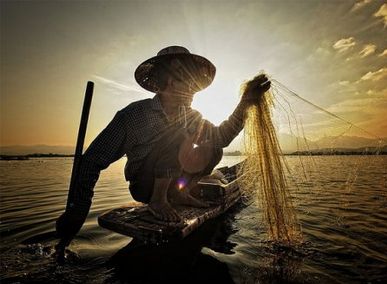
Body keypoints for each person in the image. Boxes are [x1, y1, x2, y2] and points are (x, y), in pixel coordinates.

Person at [56, 46, 270, 249]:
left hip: (174, 182)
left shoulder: (192, 116)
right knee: (177, 133)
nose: (193, 87)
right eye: (187, 80)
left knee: (214, 147)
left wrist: (245, 103)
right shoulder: (133, 116)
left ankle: (181, 193)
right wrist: (78, 209)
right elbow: (92, 160)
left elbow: (221, 137)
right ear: (168, 83)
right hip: (145, 185)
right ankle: (159, 200)